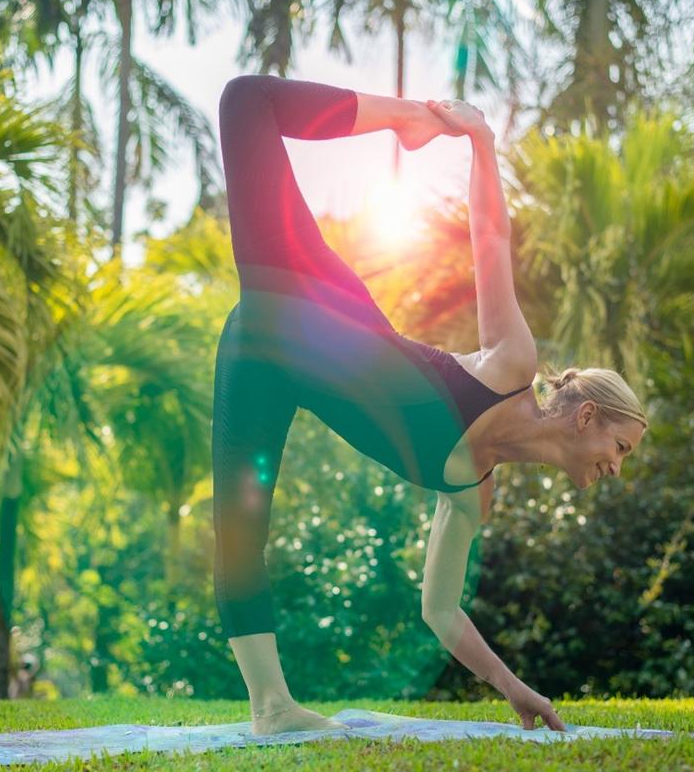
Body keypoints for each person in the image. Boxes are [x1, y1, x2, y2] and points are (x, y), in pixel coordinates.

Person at [212, 74, 648, 736]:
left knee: (238, 530)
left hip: (261, 358)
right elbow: (490, 238)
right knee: (246, 101)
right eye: (619, 448)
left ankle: (271, 707)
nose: (617, 468)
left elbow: (440, 610)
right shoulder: (509, 367)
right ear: (586, 416)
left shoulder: (474, 494)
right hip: (303, 294)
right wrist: (480, 141)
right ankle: (407, 118)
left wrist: (513, 688)